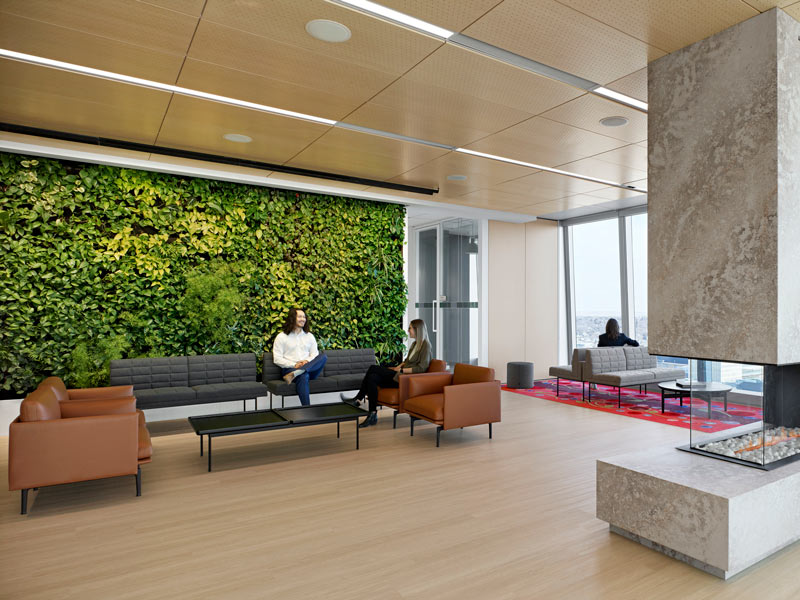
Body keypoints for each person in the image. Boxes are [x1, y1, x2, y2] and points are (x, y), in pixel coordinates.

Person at [341, 319, 432, 428]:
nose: (408, 331)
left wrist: (402, 371)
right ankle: (372, 414)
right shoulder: (415, 344)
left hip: (405, 380)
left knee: (373, 368)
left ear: (417, 330)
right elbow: (407, 361)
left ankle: (358, 399)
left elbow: (422, 368)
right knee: (372, 377)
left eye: (410, 328)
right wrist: (399, 366)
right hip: (400, 376)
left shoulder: (425, 346)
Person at [273, 308, 327, 407]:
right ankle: (307, 409)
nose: (303, 319)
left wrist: (306, 361)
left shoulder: (309, 336)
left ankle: (299, 372)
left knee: (323, 356)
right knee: (303, 376)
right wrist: (294, 364)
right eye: (300, 316)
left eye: (304, 317)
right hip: (290, 369)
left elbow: (314, 354)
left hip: (310, 369)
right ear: (293, 318)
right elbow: (277, 358)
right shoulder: (282, 337)